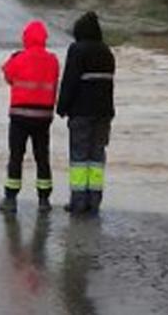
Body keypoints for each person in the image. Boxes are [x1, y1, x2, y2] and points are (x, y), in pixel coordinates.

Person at [56, 11, 115, 215]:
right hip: (104, 114)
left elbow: (69, 81)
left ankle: (78, 203)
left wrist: (61, 107)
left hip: (81, 113)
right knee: (97, 158)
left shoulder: (77, 50)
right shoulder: (107, 52)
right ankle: (94, 203)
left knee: (79, 158)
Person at [0, 20, 60, 214]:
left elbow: (8, 76)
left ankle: (10, 199)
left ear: (25, 38)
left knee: (16, 156)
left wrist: (13, 58)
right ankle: (44, 200)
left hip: (19, 116)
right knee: (42, 157)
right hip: (43, 116)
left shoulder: (18, 58)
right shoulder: (53, 60)